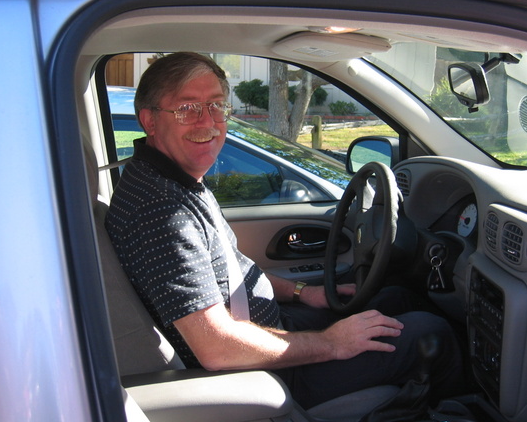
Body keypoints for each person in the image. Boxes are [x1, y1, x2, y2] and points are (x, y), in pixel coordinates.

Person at [105, 52, 463, 410]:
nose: (209, 123)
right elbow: (216, 347)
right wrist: (331, 343)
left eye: (216, 105)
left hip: (263, 328)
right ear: (149, 121)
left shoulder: (173, 181)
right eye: (187, 109)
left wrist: (303, 293)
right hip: (257, 374)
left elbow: (229, 268)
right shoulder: (161, 211)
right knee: (431, 332)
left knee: (397, 297)